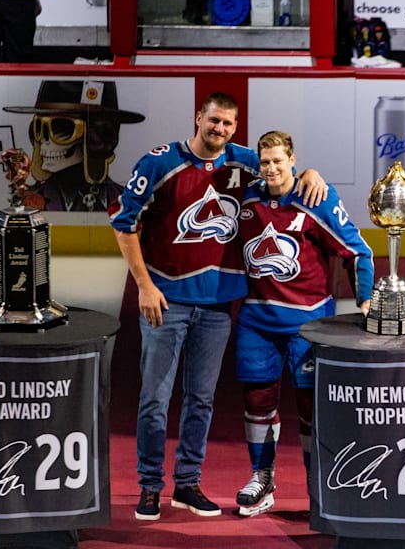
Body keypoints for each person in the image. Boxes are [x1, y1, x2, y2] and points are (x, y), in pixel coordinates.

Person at [108, 93, 326, 521]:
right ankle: (150, 486)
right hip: (165, 302)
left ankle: (187, 485)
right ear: (198, 118)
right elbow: (123, 223)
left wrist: (312, 172)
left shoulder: (243, 161)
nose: (220, 129)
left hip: (216, 308)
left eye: (228, 124)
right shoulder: (159, 163)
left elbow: (281, 169)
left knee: (201, 400)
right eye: (214, 120)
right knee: (155, 399)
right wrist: (144, 286)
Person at [232, 130, 373, 517]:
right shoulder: (246, 195)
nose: (272, 168)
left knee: (312, 407)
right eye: (265, 162)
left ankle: (318, 484)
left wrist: (365, 299)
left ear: (292, 160)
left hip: (308, 325)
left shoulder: (316, 197)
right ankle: (262, 479)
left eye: (279, 160)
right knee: (256, 402)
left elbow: (358, 251)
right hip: (257, 320)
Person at [3, 80, 146, 212]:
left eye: (61, 128)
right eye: (39, 128)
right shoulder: (29, 202)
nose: (45, 141)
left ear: (97, 136)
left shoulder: (127, 200)